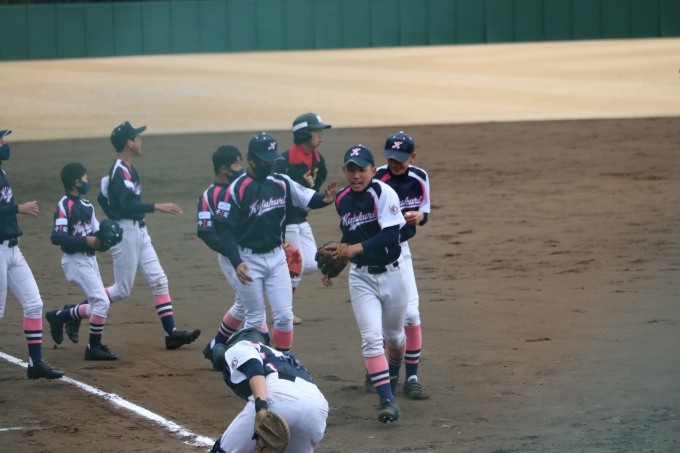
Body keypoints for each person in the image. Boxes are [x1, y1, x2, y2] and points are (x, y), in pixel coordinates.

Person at [203, 133, 336, 358]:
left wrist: (325, 199)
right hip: (248, 259)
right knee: (255, 319)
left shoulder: (281, 182)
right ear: (250, 160)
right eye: (264, 161)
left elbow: (308, 197)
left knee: (284, 316)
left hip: (277, 257)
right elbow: (225, 231)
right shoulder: (236, 189)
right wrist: (236, 261)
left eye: (272, 160)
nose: (270, 165)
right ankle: (250, 363)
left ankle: (282, 361)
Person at [321, 145, 407, 423]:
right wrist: (337, 259)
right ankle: (387, 401)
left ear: (373, 170)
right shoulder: (341, 199)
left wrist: (352, 249)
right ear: (344, 171)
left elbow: (391, 236)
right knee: (371, 340)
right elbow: (349, 234)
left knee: (395, 338)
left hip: (393, 275)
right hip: (361, 278)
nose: (356, 175)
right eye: (351, 170)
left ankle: (393, 374)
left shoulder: (384, 193)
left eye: (361, 170)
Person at [96, 121, 200, 349]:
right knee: (122, 290)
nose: (141, 142)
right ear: (129, 143)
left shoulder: (128, 169)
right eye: (137, 138)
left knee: (159, 279)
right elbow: (124, 205)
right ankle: (70, 314)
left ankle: (171, 334)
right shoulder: (119, 171)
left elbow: (106, 199)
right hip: (127, 233)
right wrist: (157, 206)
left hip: (140, 231)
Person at [0, 129, 63, 379]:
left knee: (34, 304)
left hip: (12, 250)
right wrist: (19, 208)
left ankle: (35, 363)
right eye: (1, 141)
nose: (4, 144)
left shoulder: (2, 173)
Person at [374, 132, 430, 399]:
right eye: (391, 159)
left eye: (400, 159)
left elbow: (424, 211)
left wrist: (421, 216)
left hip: (401, 250)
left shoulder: (420, 177)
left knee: (411, 315)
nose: (395, 164)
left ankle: (412, 378)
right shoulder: (376, 178)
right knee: (384, 320)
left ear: (412, 157)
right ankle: (381, 368)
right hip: (374, 252)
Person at [209, 327, 328, 453]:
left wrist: (261, 406)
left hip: (279, 396)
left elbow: (253, 367)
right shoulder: (285, 359)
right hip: (318, 411)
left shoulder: (242, 346)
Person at [44, 162, 118, 361]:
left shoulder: (87, 206)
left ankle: (58, 317)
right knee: (101, 301)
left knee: (97, 304)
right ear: (76, 182)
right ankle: (93, 347)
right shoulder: (64, 206)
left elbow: (97, 234)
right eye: (85, 179)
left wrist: (110, 237)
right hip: (75, 261)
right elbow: (57, 238)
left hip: (90, 261)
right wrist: (85, 240)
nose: (87, 182)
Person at [197, 146, 258, 364]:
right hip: (230, 257)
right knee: (252, 305)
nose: (242, 167)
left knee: (243, 303)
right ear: (224, 169)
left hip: (254, 253)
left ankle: (215, 347)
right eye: (237, 164)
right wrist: (232, 252)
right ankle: (259, 354)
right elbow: (206, 233)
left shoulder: (244, 187)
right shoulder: (208, 196)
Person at [275, 113, 331, 324]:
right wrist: (300, 183)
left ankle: (276, 284)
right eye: (316, 131)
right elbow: (275, 192)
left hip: (301, 218)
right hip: (286, 220)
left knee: (312, 264)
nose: (320, 135)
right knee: (295, 264)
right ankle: (284, 312)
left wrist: (311, 197)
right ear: (303, 134)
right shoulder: (283, 162)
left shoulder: (319, 160)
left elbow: (314, 189)